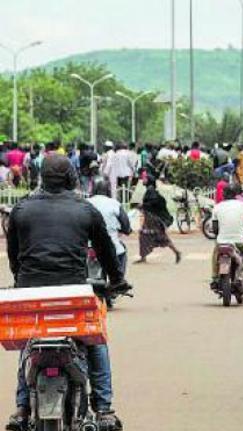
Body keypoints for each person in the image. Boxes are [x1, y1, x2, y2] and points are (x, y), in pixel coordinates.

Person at [6, 154, 129, 431]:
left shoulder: (21, 209)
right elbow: (107, 252)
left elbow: (14, 255)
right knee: (95, 341)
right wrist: (118, 280)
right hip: (74, 292)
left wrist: (21, 281)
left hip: (31, 292)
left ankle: (22, 409)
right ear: (72, 178)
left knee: (28, 344)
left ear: (41, 177)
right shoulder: (85, 210)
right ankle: (104, 408)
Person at [210, 184, 243, 292]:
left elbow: (215, 229)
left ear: (224, 194)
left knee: (215, 254)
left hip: (222, 243)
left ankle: (215, 278)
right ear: (235, 194)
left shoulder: (217, 207)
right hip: (241, 242)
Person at [88, 180, 133, 277]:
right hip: (112, 246)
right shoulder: (114, 204)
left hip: (88, 246)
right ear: (108, 190)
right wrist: (125, 230)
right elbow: (126, 226)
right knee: (121, 251)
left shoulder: (85, 203)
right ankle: (119, 281)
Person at [134, 176, 182, 264]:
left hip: (153, 219)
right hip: (151, 218)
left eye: (145, 179)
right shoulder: (150, 190)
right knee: (145, 236)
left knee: (158, 236)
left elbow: (153, 203)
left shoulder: (151, 190)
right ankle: (143, 257)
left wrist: (142, 206)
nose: (143, 180)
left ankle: (176, 252)